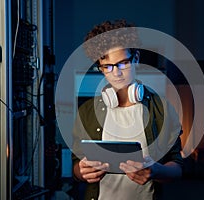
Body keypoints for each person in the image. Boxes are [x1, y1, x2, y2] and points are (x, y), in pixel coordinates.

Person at [72, 19, 185, 200]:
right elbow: (76, 166)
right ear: (100, 69)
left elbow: (178, 168)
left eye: (123, 63)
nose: (116, 73)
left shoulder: (162, 108)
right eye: (107, 67)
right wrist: (82, 172)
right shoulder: (87, 111)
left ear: (136, 59)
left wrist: (156, 171)